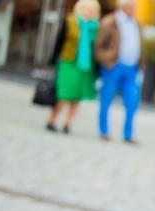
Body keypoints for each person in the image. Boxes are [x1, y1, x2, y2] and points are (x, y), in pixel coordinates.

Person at [45, 0, 100, 134]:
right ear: (79, 9)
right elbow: (59, 42)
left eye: (91, 10)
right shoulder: (70, 22)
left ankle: (68, 123)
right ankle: (52, 120)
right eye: (85, 9)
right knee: (63, 95)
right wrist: (52, 60)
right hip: (68, 62)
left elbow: (97, 48)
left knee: (77, 97)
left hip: (86, 66)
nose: (88, 12)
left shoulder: (96, 27)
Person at [94, 0, 144, 144]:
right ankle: (104, 131)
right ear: (123, 7)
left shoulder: (137, 23)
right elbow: (99, 46)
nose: (134, 9)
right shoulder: (110, 22)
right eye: (132, 6)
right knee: (106, 99)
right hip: (113, 67)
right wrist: (108, 61)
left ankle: (128, 135)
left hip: (131, 68)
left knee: (132, 101)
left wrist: (140, 63)